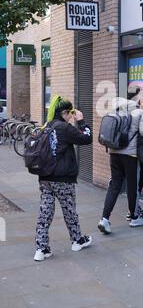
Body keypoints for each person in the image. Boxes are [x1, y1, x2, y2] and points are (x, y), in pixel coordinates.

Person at [34, 95, 93, 261]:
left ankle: (41, 248)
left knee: (45, 212)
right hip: (62, 178)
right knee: (69, 210)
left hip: (45, 177)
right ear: (65, 112)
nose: (72, 115)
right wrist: (81, 122)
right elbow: (86, 138)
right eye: (71, 112)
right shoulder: (64, 128)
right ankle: (77, 241)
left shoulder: (47, 126)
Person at [98, 91, 143, 234]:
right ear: (137, 100)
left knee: (114, 185)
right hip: (130, 155)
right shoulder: (139, 113)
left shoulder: (115, 110)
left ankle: (104, 218)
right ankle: (134, 217)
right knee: (132, 187)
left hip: (114, 153)